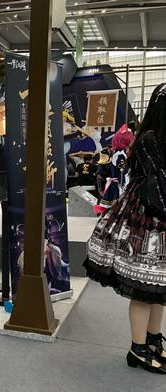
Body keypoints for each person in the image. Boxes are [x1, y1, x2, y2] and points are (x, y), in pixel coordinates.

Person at [84, 83, 166, 375]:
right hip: (146, 217)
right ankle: (138, 348)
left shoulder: (153, 138)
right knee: (144, 288)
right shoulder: (149, 140)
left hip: (156, 216)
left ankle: (153, 340)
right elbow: (158, 182)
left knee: (159, 288)